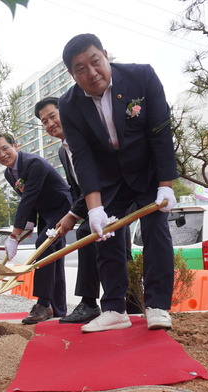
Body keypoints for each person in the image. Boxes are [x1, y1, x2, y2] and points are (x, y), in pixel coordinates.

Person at [58, 33, 178, 333]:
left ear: (106, 55)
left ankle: (157, 306)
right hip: (110, 177)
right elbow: (83, 158)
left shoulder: (141, 76)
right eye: (80, 69)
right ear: (72, 74)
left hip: (147, 170)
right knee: (106, 236)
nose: (91, 73)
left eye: (95, 62)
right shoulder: (69, 104)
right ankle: (114, 309)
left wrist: (166, 184)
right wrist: (94, 208)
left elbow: (160, 131)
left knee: (155, 230)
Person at [35, 97, 136, 324]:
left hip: (117, 195)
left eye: (53, 116)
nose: (50, 123)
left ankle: (92, 302)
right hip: (93, 203)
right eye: (44, 121)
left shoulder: (86, 138)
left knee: (92, 236)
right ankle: (126, 300)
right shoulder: (63, 151)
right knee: (108, 243)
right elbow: (77, 187)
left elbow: (101, 178)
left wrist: (73, 215)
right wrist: (74, 212)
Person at [0, 132, 72, 324]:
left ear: (15, 146)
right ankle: (59, 309)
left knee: (43, 245)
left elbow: (28, 198)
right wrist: (28, 225)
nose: (2, 154)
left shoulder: (34, 163)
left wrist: (14, 236)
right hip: (44, 212)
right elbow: (28, 200)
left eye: (5, 148)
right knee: (54, 256)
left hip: (61, 206)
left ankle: (43, 304)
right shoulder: (9, 173)